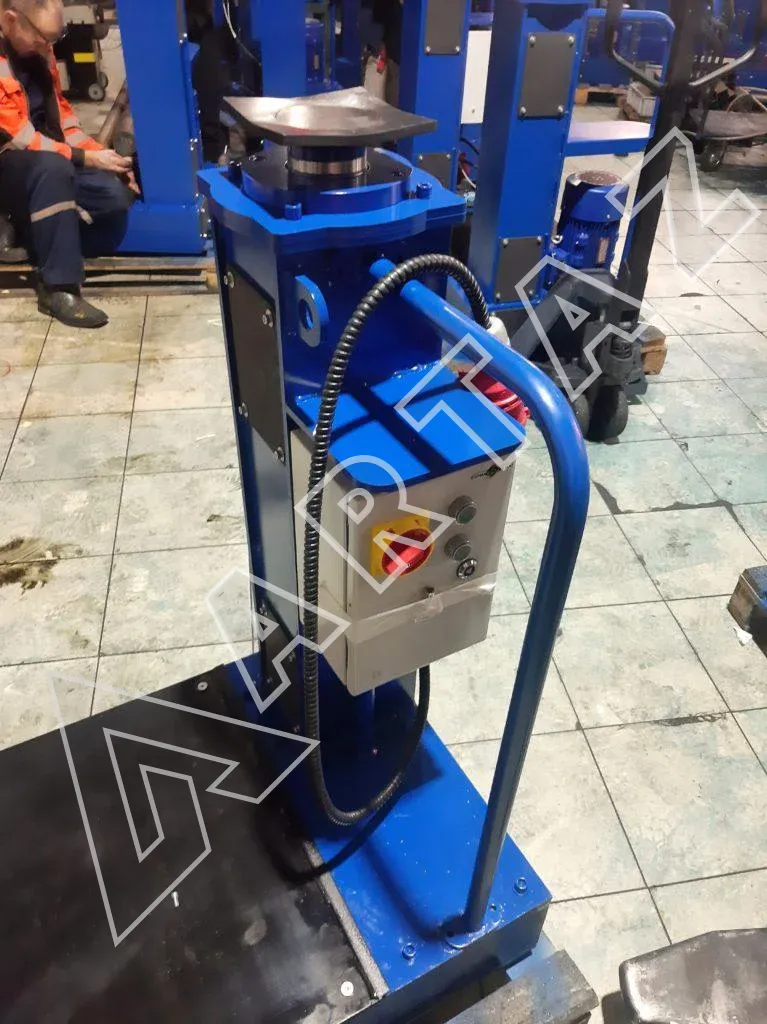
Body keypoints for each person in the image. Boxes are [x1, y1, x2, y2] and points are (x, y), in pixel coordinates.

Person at [0, 0, 138, 327]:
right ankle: (59, 287)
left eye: (54, 38)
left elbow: (63, 122)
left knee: (115, 197)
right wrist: (85, 157)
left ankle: (29, 234)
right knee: (53, 168)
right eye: (42, 37)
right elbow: (20, 138)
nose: (48, 47)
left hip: (47, 165)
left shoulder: (39, 51)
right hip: (10, 165)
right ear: (11, 20)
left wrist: (103, 157)